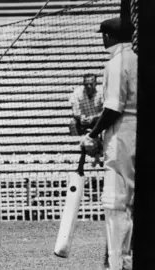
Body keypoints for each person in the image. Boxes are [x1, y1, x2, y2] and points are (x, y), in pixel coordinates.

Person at [80, 17, 136, 270]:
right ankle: (125, 258)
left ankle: (117, 263)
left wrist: (92, 134)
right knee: (129, 202)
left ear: (108, 37)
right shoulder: (136, 58)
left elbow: (113, 108)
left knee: (115, 203)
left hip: (122, 134)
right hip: (136, 131)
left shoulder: (116, 62)